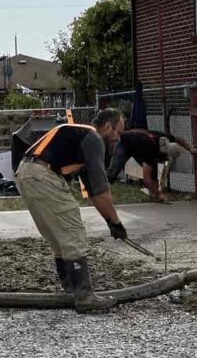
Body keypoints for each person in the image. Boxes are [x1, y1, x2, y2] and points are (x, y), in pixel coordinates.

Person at [15, 108, 127, 312]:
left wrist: (110, 220)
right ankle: (84, 296)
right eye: (118, 132)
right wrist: (115, 222)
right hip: (43, 175)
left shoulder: (78, 135)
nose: (118, 139)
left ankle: (71, 289)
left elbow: (92, 189)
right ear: (108, 126)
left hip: (27, 173)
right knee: (72, 231)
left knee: (58, 235)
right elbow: (100, 188)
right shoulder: (93, 138)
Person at [107, 128, 195, 201]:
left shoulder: (167, 139)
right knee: (116, 167)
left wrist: (190, 149)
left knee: (154, 170)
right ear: (163, 151)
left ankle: (154, 196)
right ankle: (103, 189)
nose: (164, 160)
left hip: (137, 143)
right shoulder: (149, 149)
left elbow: (179, 139)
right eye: (165, 157)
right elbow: (146, 180)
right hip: (123, 143)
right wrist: (159, 194)